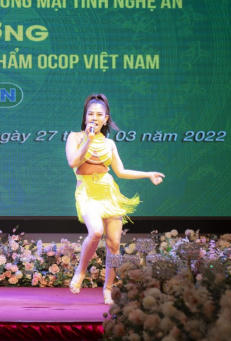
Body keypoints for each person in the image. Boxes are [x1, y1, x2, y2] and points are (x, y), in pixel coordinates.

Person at [65, 94, 164, 304]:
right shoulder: (75, 137)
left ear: (106, 118)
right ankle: (80, 271)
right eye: (90, 114)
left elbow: (121, 171)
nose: (94, 118)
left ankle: (108, 288)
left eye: (98, 114)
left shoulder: (109, 143)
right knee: (96, 232)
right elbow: (73, 162)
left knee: (114, 244)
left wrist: (148, 174)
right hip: (87, 192)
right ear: (85, 117)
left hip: (108, 192)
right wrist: (88, 140)